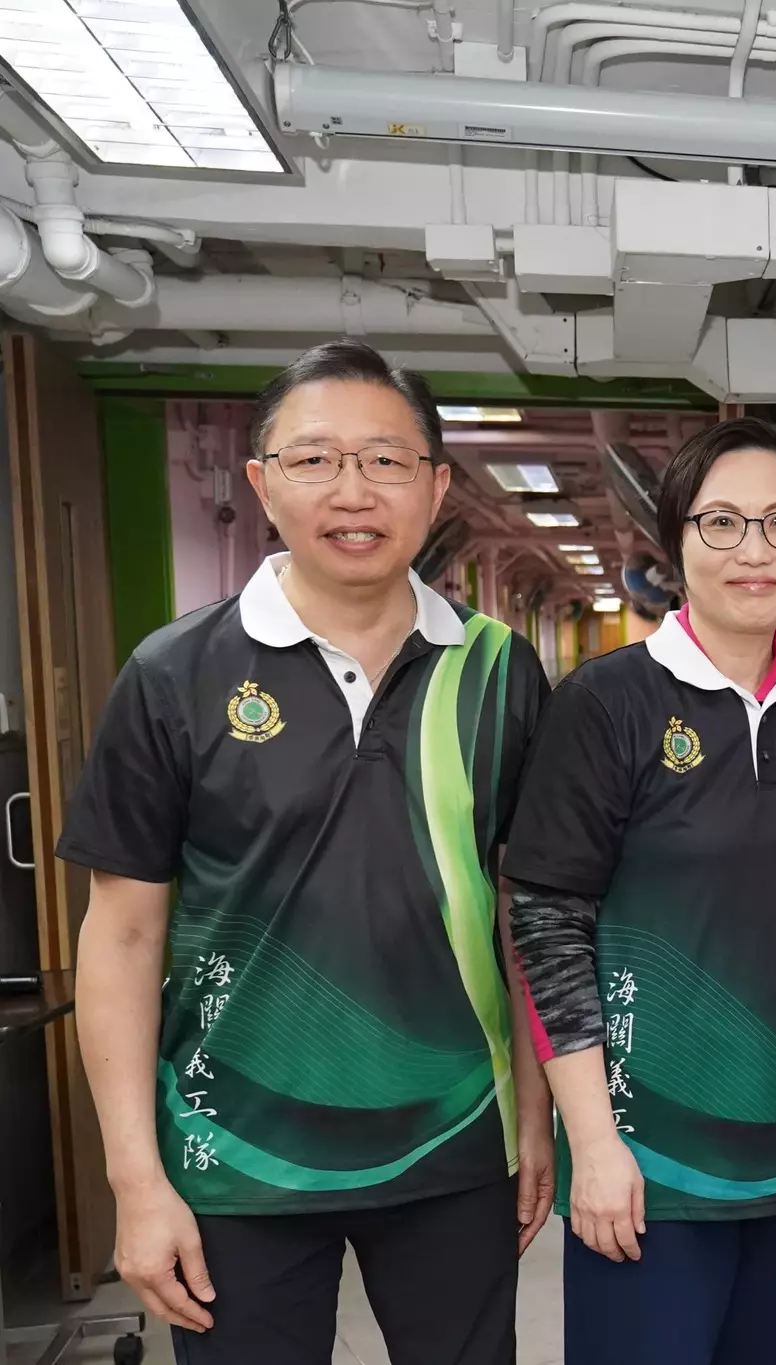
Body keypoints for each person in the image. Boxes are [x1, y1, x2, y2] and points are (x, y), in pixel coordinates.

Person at [59, 341, 553, 1365]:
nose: (353, 491)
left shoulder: (498, 670)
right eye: (315, 459)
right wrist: (135, 1178)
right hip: (236, 1150)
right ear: (261, 483)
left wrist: (536, 1116)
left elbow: (524, 910)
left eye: (386, 460)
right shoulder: (174, 673)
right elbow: (122, 934)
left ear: (436, 486)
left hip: (453, 1138)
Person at [502, 418, 776, 1365]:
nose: (756, 549)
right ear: (675, 542)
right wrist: (594, 1143)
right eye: (722, 522)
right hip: (648, 1164)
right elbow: (546, 926)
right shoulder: (606, 701)